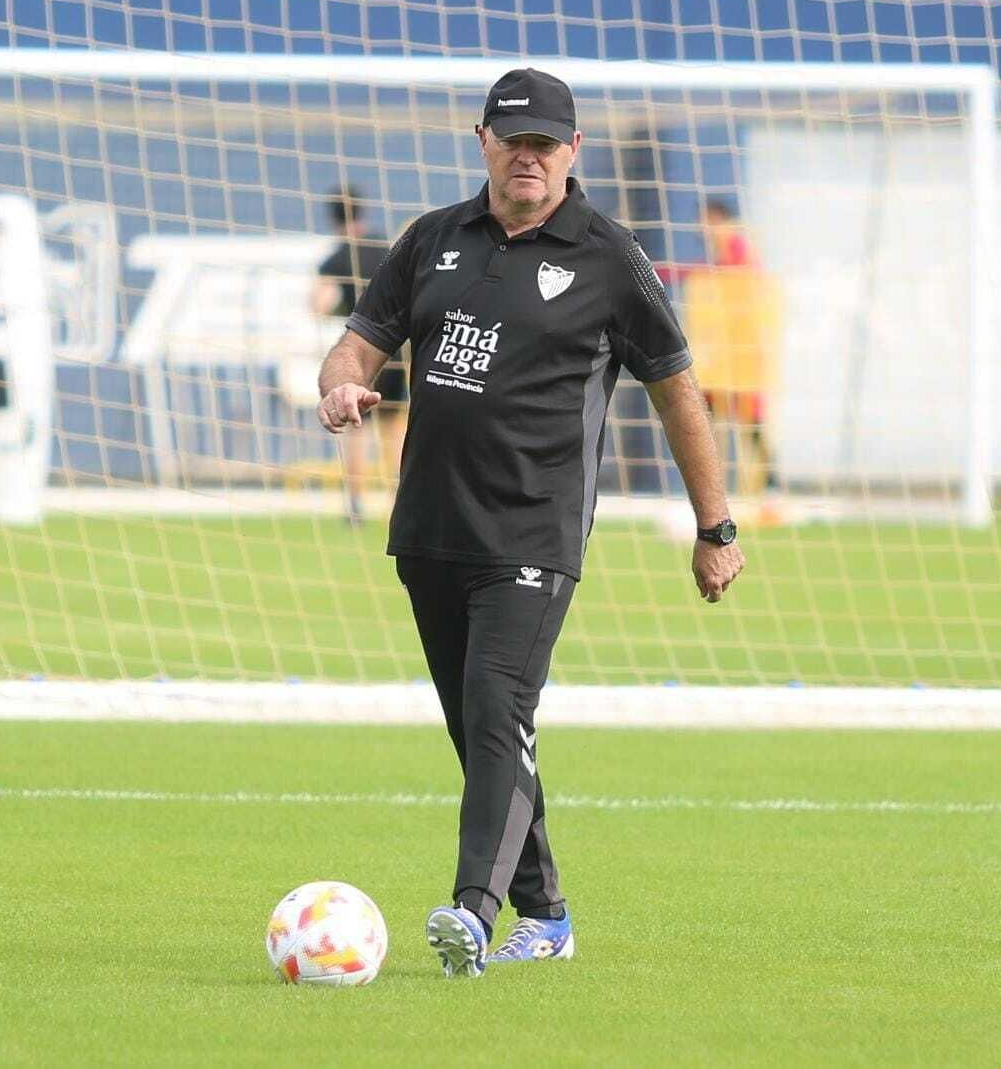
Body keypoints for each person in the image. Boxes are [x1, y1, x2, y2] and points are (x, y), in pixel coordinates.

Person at [316, 68, 745, 978]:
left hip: (533, 535)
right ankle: (546, 915)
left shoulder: (611, 257)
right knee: (483, 729)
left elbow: (678, 393)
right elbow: (359, 342)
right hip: (429, 530)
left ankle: (473, 912)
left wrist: (716, 528)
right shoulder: (431, 240)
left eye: (545, 144)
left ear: (572, 150)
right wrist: (343, 385)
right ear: (482, 142)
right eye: (513, 141)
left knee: (496, 704)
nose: (529, 158)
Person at [311, 187, 404, 523]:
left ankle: (355, 503)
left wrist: (343, 308)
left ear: (333, 218)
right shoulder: (385, 247)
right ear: (362, 212)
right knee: (395, 428)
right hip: (395, 349)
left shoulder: (337, 258)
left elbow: (318, 305)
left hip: (361, 350)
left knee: (356, 427)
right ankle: (399, 502)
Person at [680, 197, 781, 494]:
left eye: (706, 219)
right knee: (710, 409)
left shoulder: (736, 247)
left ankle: (769, 481)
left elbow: (738, 283)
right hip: (725, 349)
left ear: (718, 218)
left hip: (741, 348)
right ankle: (713, 480)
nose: (701, 226)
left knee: (747, 415)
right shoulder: (723, 251)